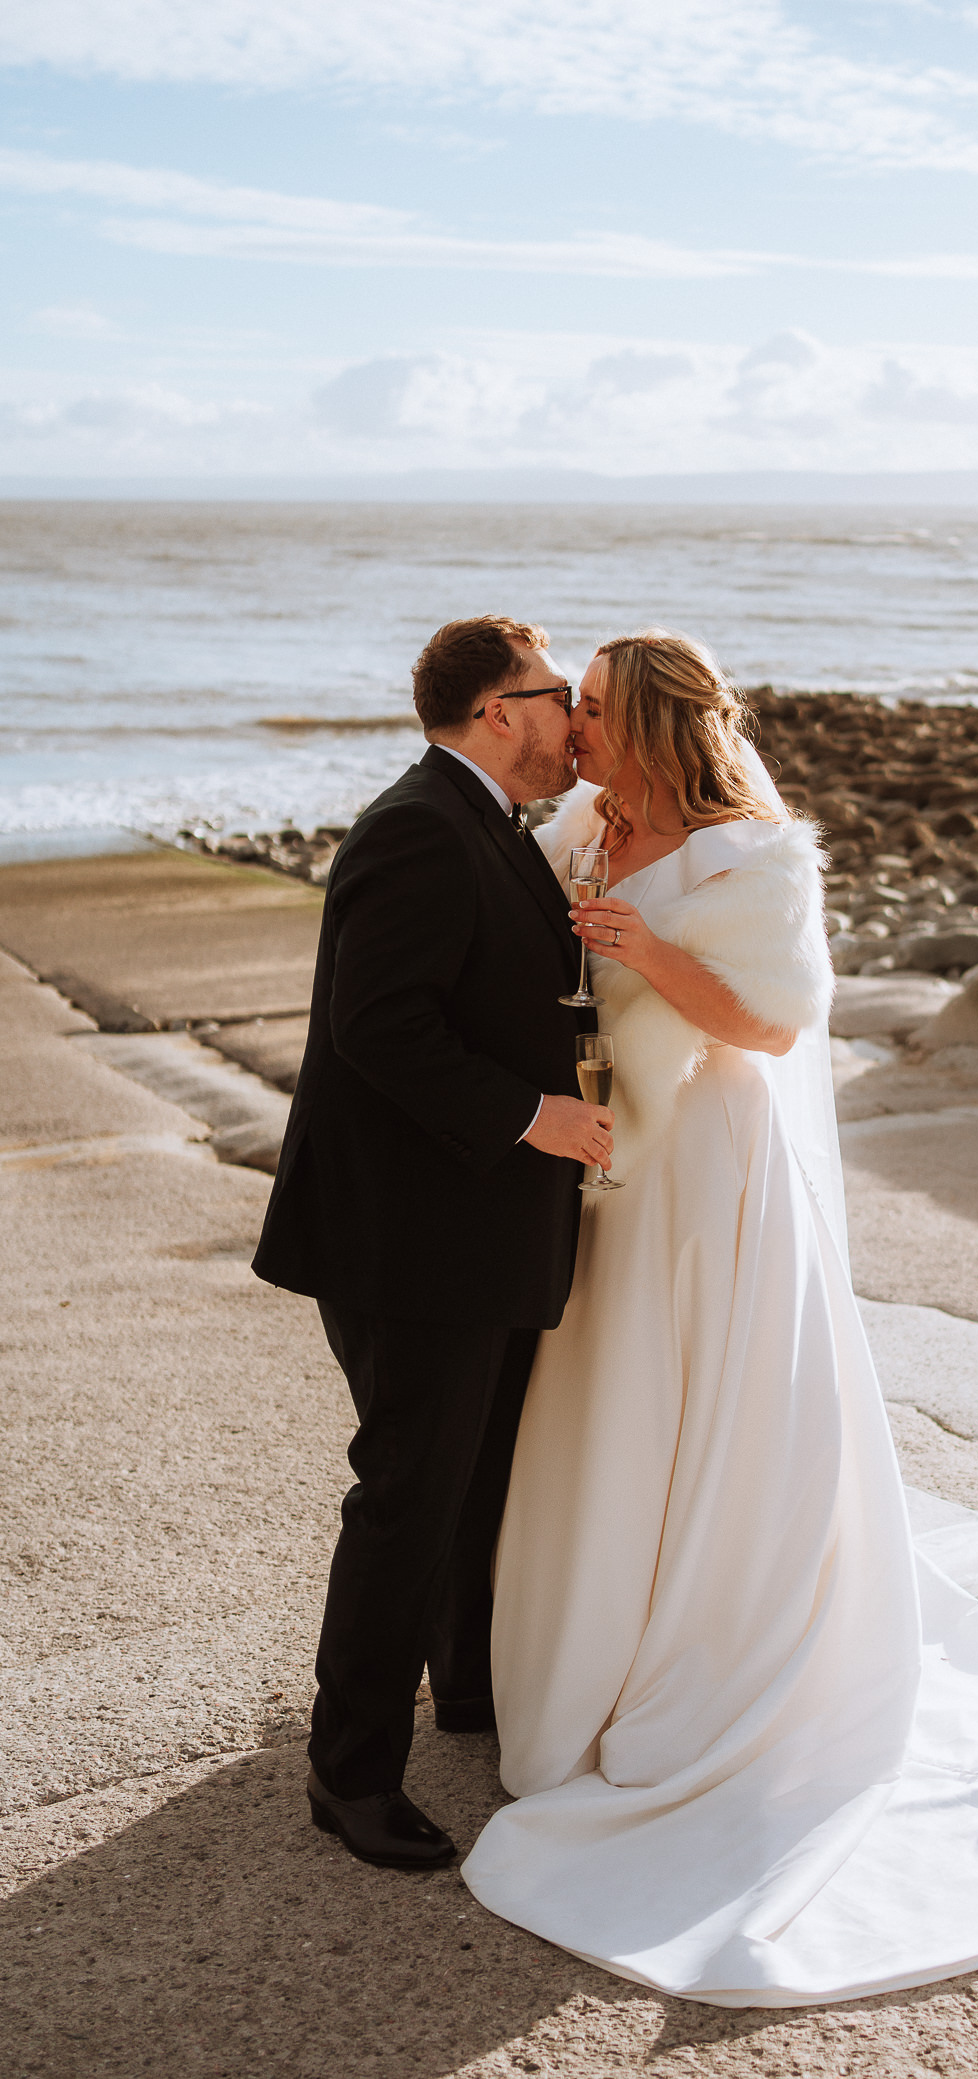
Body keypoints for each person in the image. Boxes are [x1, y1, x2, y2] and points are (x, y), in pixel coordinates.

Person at [459, 629, 978, 2007]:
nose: (577, 731)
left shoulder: (751, 859)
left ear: (662, 725)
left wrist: (645, 950)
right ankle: (587, 1660)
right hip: (617, 1173)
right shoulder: (573, 830)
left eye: (600, 711)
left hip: (715, 1179)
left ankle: (721, 1664)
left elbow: (777, 1031)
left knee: (718, 1412)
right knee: (608, 1414)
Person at [252, 614, 614, 1871]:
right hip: (407, 1238)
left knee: (477, 1478)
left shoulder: (487, 825)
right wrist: (534, 1115)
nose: (574, 718)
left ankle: (467, 1689)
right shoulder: (415, 825)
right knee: (409, 1493)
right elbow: (378, 1026)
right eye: (559, 694)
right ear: (498, 709)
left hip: (476, 1225)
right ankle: (347, 1775)